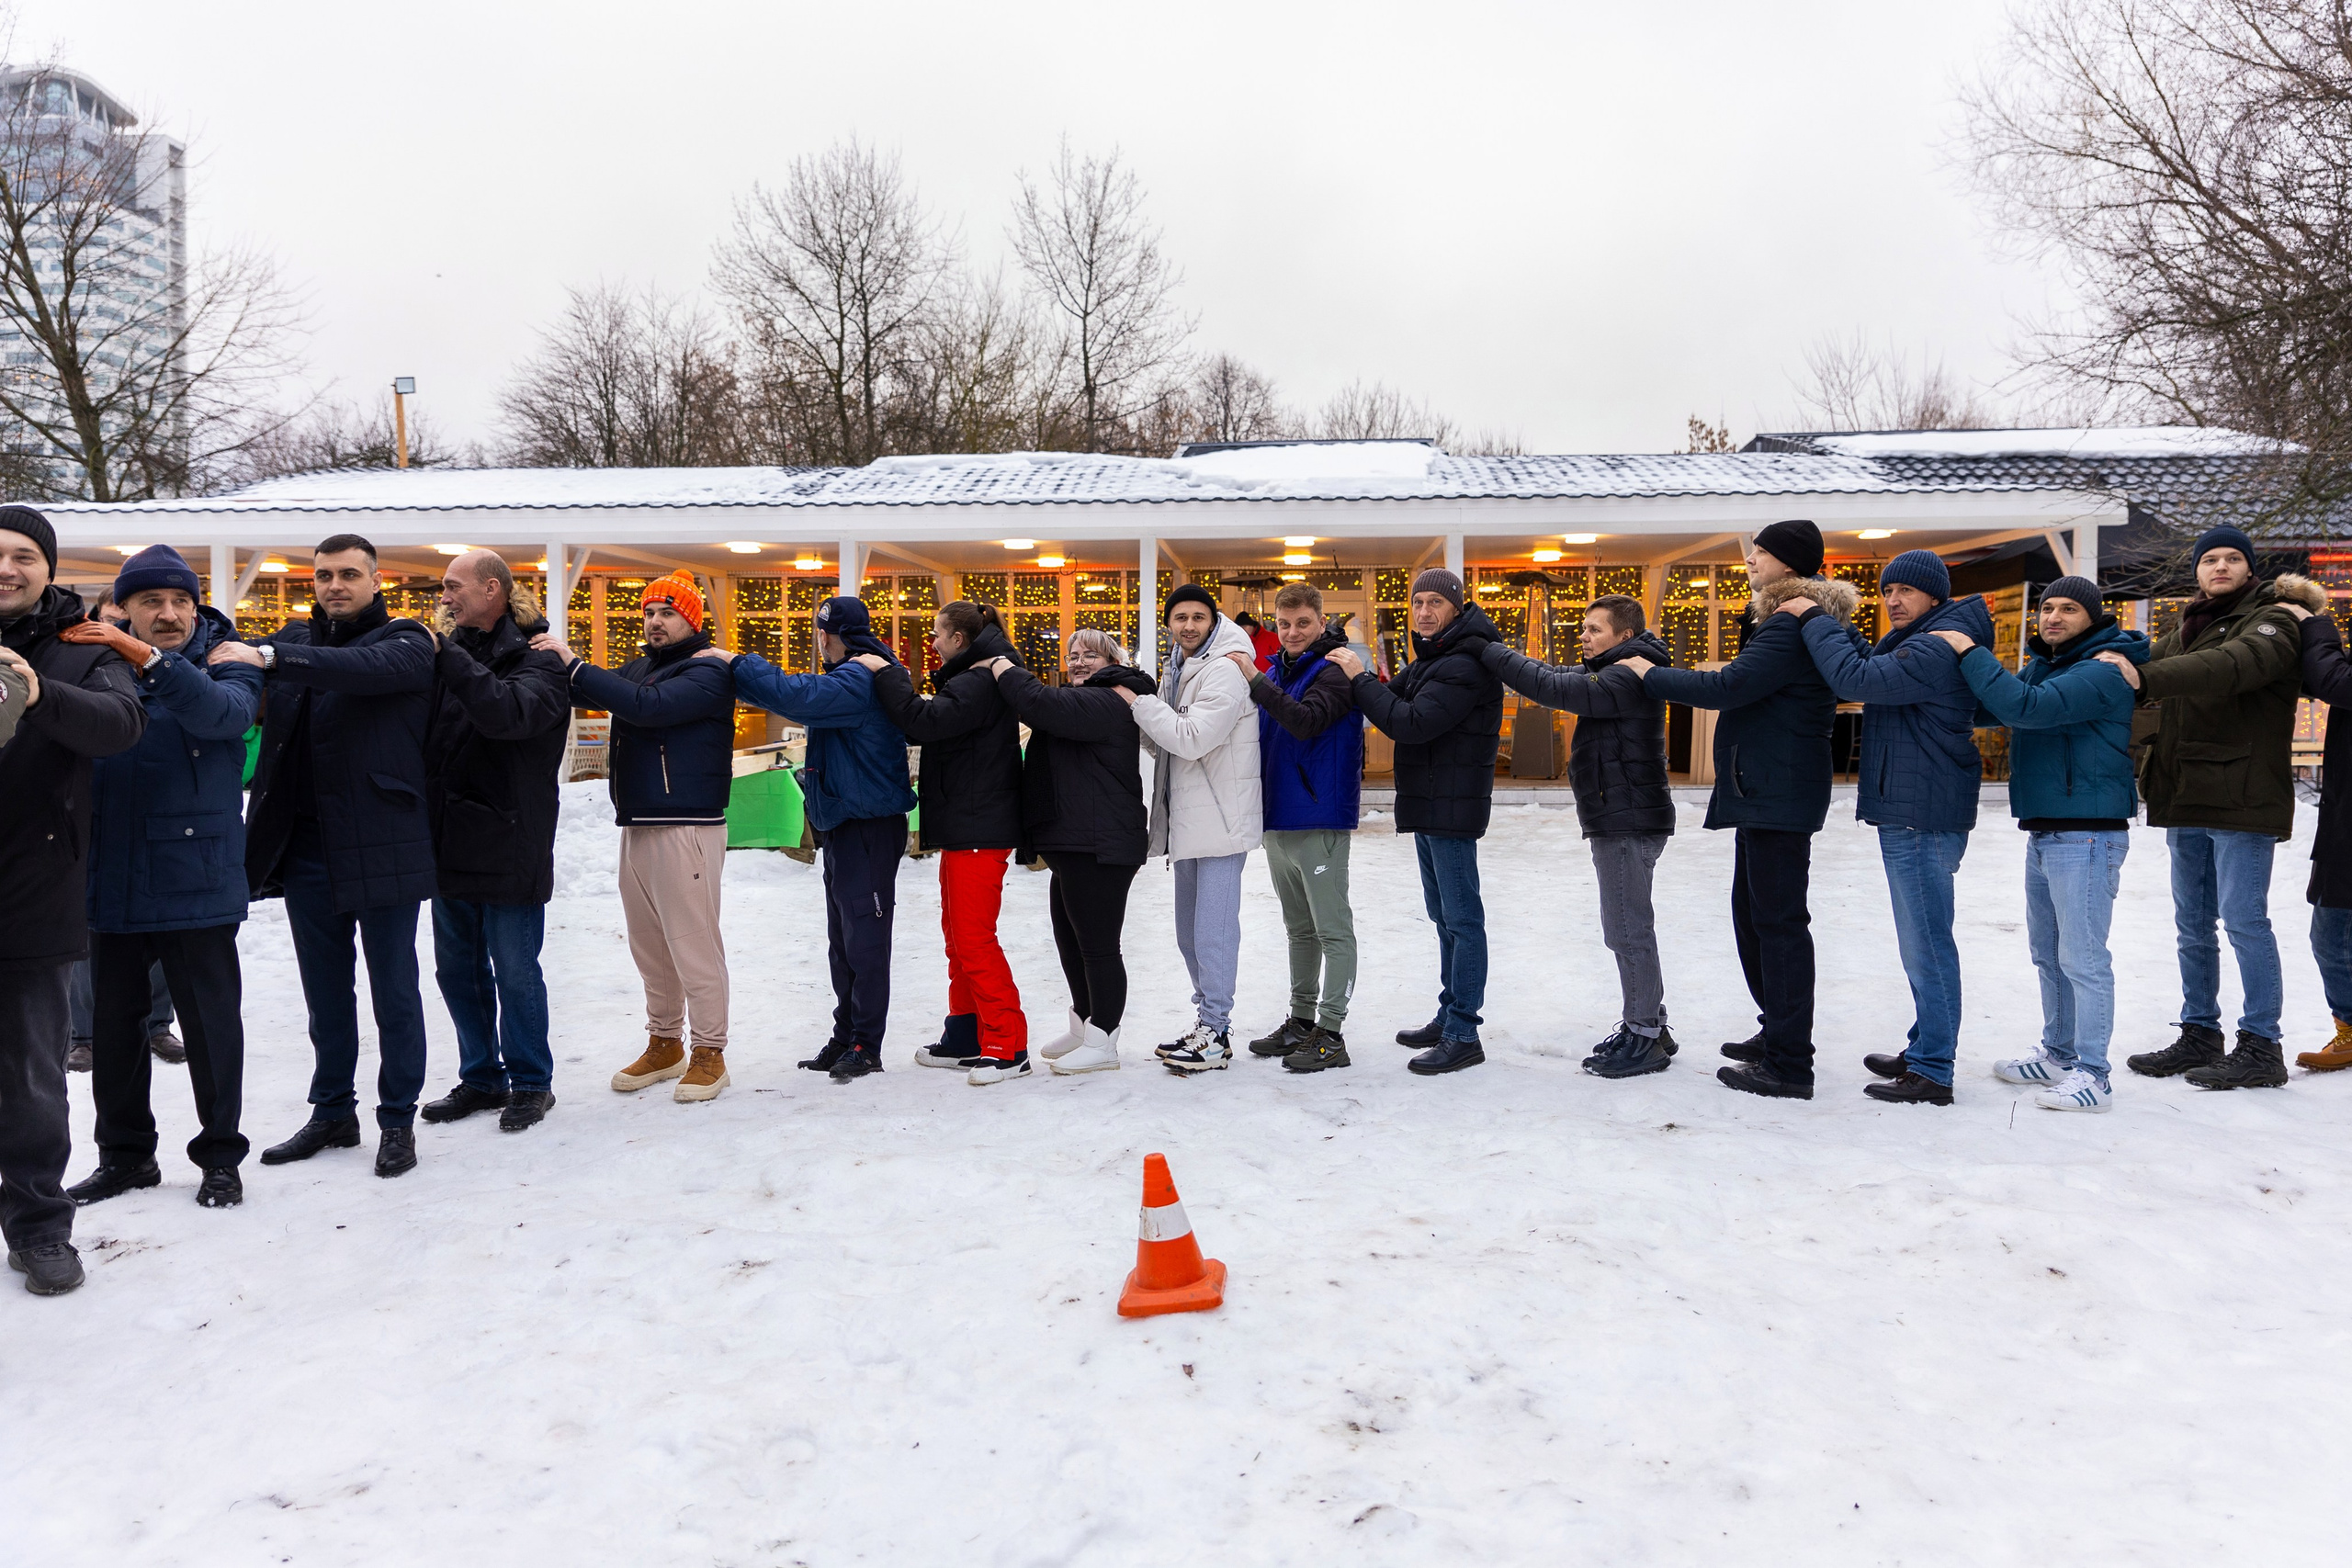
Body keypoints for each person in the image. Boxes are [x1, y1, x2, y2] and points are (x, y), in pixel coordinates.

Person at [212, 534, 436, 1179]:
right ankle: (333, 1110)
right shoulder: (289, 643)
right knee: (325, 995)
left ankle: (397, 1119)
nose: (334, 584)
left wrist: (273, 655)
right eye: (323, 575)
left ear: (375, 579)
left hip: (382, 844)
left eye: (347, 574)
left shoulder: (406, 640)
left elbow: (361, 672)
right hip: (307, 847)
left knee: (394, 991)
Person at [1629, 520, 1862, 1101]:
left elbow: (1730, 687)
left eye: (1760, 553)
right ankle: (1776, 1032)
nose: (1750, 561)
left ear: (1786, 562)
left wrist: (1649, 674)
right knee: (1754, 916)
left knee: (1778, 924)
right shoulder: (1783, 618)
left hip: (1777, 790)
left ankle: (1788, 1063)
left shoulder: (1790, 624)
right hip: (1765, 788)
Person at [59, 547, 262, 1209]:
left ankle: (221, 1155)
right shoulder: (93, 663)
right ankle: (124, 1156)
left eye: (180, 600)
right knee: (114, 1032)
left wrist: (144, 656)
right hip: (110, 875)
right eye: (152, 602)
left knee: (210, 1028)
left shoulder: (229, 660)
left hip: (196, 879)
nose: (169, 613)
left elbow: (221, 717)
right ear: (126, 606)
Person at [2097, 528, 2319, 1089]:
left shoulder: (2274, 620)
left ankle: (2262, 1045)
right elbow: (2149, 661)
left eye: (2232, 558)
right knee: (2193, 926)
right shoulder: (2192, 624)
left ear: (2250, 569)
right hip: (2188, 789)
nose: (2219, 566)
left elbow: (2230, 666)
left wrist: (2144, 674)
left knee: (2245, 921)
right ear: (2196, 571)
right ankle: (2199, 1032)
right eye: (2209, 559)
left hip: (2243, 795)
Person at [1783, 548, 1992, 1107]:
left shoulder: (1934, 646)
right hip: (1914, 808)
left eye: (1905, 591)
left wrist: (1813, 617)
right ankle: (1926, 1046)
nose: (1893, 601)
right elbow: (1871, 660)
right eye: (1886, 592)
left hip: (1921, 814)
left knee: (1926, 943)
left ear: (1935, 596)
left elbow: (1859, 677)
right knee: (1921, 939)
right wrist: (1835, 620)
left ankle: (1933, 1069)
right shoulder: (1922, 640)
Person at [0, 504, 146, 1295]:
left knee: (29, 1077)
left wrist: (38, 693)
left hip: (32, 888)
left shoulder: (81, 645)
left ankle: (39, 1228)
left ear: (48, 568)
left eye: (24, 554)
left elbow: (123, 723)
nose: (7, 568)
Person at [1933, 576, 2147, 1111]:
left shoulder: (2100, 671)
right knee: (2049, 954)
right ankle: (2058, 1053)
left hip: (2089, 835)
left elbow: (2025, 708)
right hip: (2047, 830)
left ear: (2093, 618)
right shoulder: (2048, 667)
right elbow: (1998, 704)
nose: (2052, 616)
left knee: (2083, 958)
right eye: (2047, 607)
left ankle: (2094, 1075)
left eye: (2068, 609)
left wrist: (1969, 648)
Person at [533, 572, 738, 1103]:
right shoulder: (642, 666)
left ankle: (710, 1051)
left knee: (692, 943)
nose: (654, 622)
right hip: (638, 823)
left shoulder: (709, 671)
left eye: (666, 613)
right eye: (648, 613)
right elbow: (596, 688)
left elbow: (648, 707)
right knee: (649, 945)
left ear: (691, 619)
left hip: (687, 825)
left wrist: (575, 661)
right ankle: (665, 1041)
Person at [712, 592, 917, 1085]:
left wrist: (738, 662)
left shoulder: (859, 677)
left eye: (819, 635)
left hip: (866, 823)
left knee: (864, 941)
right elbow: (788, 695)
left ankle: (866, 1044)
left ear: (828, 635)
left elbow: (798, 696)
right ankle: (846, 1035)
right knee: (843, 941)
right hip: (846, 822)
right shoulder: (855, 673)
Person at [1481, 592, 1680, 1077]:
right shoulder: (1617, 670)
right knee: (1630, 927)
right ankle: (1651, 1021)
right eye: (1583, 628)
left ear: (1624, 637)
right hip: (1622, 816)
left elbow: (1551, 687)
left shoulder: (1628, 674)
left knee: (1628, 930)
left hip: (1626, 820)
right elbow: (1557, 676)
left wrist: (1489, 648)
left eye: (1595, 630)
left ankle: (1645, 1036)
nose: (1584, 636)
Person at [418, 550, 571, 1134]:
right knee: (457, 970)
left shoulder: (538, 659)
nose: (445, 596)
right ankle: (480, 1077)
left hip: (511, 840)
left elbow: (507, 715)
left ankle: (531, 1081)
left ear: (491, 589)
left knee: (514, 969)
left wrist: (446, 655)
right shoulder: (449, 654)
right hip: (449, 840)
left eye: (454, 586)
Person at [1331, 568, 1505, 1076]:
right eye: (1418, 603)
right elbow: (1394, 695)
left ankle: (1463, 1031)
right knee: (1443, 917)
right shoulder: (1433, 658)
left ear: (1456, 607)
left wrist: (1359, 677)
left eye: (1435, 603)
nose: (1425, 612)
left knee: (1462, 921)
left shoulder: (1464, 663)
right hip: (1432, 803)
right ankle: (1449, 1012)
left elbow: (1408, 721)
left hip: (1451, 806)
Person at [865, 601, 1029, 1086]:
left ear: (959, 639)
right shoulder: (975, 676)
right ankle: (966, 1035)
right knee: (959, 938)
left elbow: (923, 721)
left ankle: (1007, 1043)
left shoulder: (978, 681)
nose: (933, 642)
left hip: (980, 828)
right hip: (966, 826)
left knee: (975, 940)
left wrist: (888, 672)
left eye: (937, 634)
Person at [987, 628, 1158, 1075]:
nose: (1079, 662)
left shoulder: (1112, 699)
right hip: (1071, 841)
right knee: (1070, 944)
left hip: (1100, 844)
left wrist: (1001, 663)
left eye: (1091, 656)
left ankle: (1104, 1038)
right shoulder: (1085, 699)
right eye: (1073, 655)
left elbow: (1040, 704)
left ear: (1111, 662)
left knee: (1098, 947)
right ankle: (1084, 1026)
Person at [1118, 585, 1263, 1074]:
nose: (1188, 626)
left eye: (1198, 617)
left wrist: (1139, 702)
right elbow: (1162, 741)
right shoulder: (1179, 671)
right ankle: (1205, 1020)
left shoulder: (1223, 669)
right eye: (1179, 618)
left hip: (1221, 819)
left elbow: (1193, 738)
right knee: (1189, 934)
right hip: (1190, 821)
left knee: (1213, 933)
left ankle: (1217, 1031)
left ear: (1212, 620)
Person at [1230, 582, 1365, 1073]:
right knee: (1299, 929)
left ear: (1319, 621)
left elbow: (1305, 722)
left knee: (1332, 929)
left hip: (1319, 815)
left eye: (1302, 623)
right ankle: (1302, 1021)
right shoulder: (1273, 671)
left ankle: (1331, 1032)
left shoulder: (1334, 671)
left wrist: (1254, 681)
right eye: (1283, 624)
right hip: (1277, 818)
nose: (1291, 632)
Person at [2289, 592, 2352, 1072]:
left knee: (2333, 935)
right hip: (2343, 822)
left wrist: (2315, 623)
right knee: (2329, 932)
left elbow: (2335, 679)